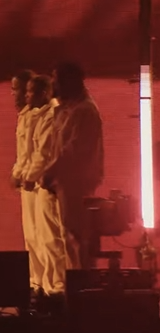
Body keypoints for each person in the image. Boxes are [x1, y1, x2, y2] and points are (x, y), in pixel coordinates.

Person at [45, 61, 104, 269]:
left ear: (69, 81)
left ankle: (83, 280)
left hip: (77, 185)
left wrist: (50, 171)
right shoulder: (67, 109)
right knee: (69, 236)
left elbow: (74, 150)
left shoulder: (84, 111)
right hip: (65, 184)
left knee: (78, 237)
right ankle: (77, 278)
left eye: (56, 79)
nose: (53, 84)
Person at [21, 75, 68, 297]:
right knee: (35, 237)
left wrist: (30, 176)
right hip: (35, 183)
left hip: (47, 184)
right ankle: (40, 283)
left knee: (51, 237)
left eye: (31, 91)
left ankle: (57, 287)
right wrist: (21, 173)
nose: (26, 95)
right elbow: (27, 152)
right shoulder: (33, 115)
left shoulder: (51, 115)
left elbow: (44, 152)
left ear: (44, 93)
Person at [9, 69, 41, 294]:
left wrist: (21, 173)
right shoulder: (25, 115)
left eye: (17, 89)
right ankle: (36, 282)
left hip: (37, 183)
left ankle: (47, 285)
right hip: (27, 183)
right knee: (31, 236)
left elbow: (34, 152)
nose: (14, 94)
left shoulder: (36, 116)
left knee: (43, 236)